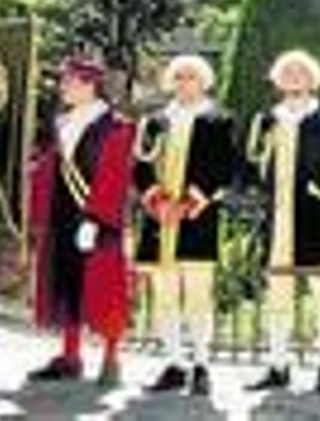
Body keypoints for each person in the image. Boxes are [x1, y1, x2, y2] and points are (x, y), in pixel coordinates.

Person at [246, 50, 320, 395]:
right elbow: (251, 163)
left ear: (312, 79)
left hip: (314, 218)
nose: (293, 77)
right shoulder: (267, 119)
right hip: (276, 219)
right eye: (287, 72)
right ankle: (278, 365)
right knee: (277, 294)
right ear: (277, 79)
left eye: (300, 72)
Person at [27, 56, 135, 387]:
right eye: (63, 81)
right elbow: (49, 168)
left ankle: (111, 358)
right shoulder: (62, 122)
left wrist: (97, 218)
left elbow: (114, 176)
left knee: (104, 289)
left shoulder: (116, 127)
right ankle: (71, 356)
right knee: (67, 286)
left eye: (70, 81)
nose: (63, 87)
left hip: (98, 221)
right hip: (62, 215)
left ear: (90, 85)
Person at [134, 54, 236, 397]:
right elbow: (140, 166)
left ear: (204, 81)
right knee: (164, 297)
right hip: (159, 219)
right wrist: (156, 200)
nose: (183, 82)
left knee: (197, 297)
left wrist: (192, 201)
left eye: (191, 76)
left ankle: (202, 365)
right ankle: (175, 363)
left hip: (197, 219)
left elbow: (227, 168)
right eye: (178, 76)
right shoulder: (154, 121)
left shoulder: (219, 120)